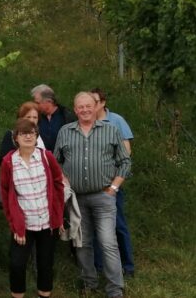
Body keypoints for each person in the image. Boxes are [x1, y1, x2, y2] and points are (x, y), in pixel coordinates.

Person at [54, 92, 131, 298]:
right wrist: (64, 181)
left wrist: (114, 187)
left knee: (107, 241)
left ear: (96, 106)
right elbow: (55, 162)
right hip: (76, 198)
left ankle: (115, 289)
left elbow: (125, 161)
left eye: (89, 106)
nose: (85, 110)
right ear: (75, 109)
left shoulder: (111, 130)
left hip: (103, 195)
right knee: (83, 242)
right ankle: (89, 282)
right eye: (81, 107)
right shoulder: (65, 132)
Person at [0, 119, 65, 298]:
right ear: (16, 138)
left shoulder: (46, 157)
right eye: (23, 133)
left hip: (47, 222)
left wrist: (58, 217)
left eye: (31, 133)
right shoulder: (8, 162)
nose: (28, 136)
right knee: (17, 264)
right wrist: (15, 225)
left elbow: (59, 186)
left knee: (45, 264)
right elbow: (6, 195)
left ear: (36, 136)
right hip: (24, 225)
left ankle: (44, 294)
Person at [90, 88, 135, 277]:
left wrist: (115, 181)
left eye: (94, 102)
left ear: (102, 103)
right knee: (94, 227)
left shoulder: (116, 121)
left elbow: (126, 152)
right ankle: (99, 267)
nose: (90, 107)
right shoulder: (85, 122)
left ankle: (127, 266)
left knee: (117, 225)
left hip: (111, 183)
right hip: (91, 183)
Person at [31, 84, 76, 150]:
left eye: (37, 103)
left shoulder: (66, 117)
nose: (35, 105)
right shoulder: (35, 117)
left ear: (49, 101)